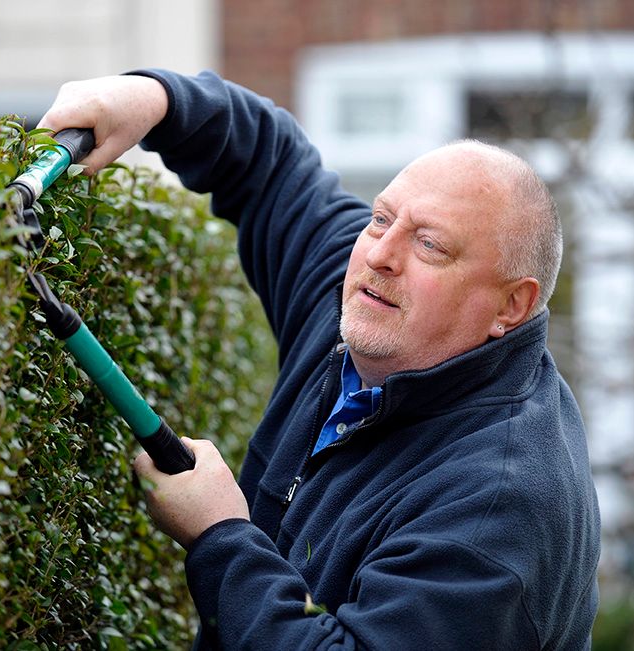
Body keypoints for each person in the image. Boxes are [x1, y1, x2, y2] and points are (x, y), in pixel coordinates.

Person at [38, 69, 600, 650]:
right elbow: (270, 166)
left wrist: (221, 536)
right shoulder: (359, 310)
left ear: (512, 304)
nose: (380, 255)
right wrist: (155, 99)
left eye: (430, 245)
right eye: (381, 218)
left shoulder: (498, 507)